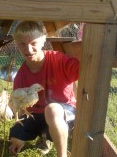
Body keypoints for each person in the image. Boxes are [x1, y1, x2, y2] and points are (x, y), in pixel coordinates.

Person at [9, 21, 80, 157]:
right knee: (15, 140)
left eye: (33, 43)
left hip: (63, 111)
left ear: (43, 41)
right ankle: (44, 135)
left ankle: (62, 154)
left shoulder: (59, 61)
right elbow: (20, 104)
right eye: (22, 44)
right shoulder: (20, 76)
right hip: (36, 113)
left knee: (52, 110)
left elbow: (86, 69)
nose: (28, 49)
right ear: (16, 44)